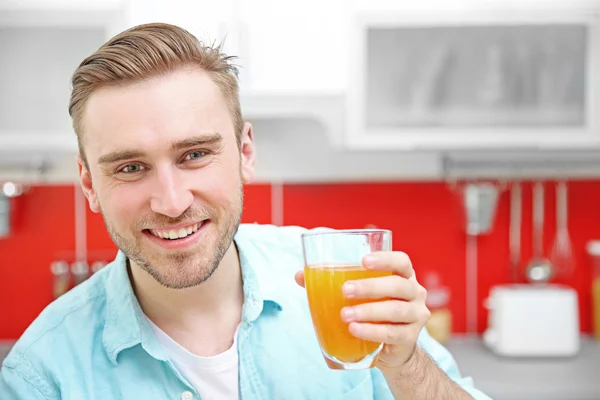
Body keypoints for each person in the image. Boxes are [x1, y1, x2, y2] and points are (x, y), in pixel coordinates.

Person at [0, 22, 491, 400]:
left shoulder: (337, 290)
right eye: (130, 167)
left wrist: (408, 367)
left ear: (245, 152)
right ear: (89, 184)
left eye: (194, 155)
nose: (171, 202)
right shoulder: (42, 375)